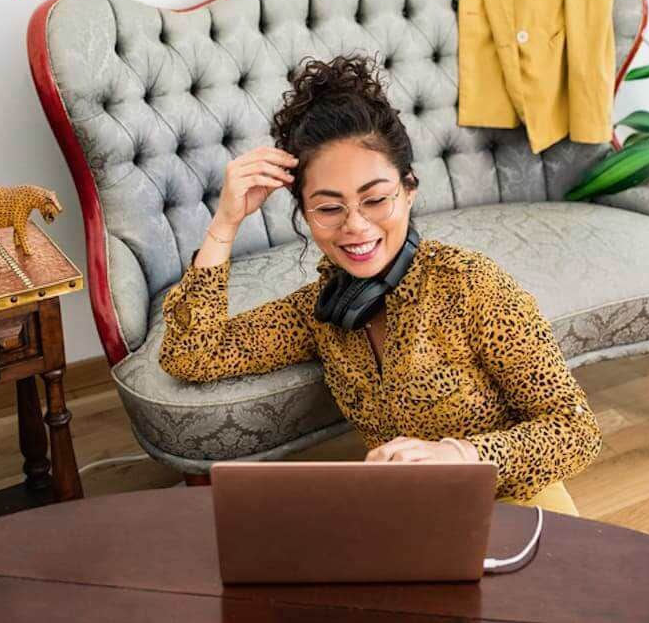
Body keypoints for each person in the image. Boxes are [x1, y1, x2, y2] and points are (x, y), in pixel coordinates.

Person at [158, 54, 603, 516]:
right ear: (305, 214)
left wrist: (459, 455)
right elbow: (191, 353)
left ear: (409, 189)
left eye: (375, 199)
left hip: (510, 498)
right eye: (329, 209)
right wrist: (225, 224)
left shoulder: (471, 285)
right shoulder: (324, 311)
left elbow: (576, 429)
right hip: (405, 510)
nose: (356, 226)